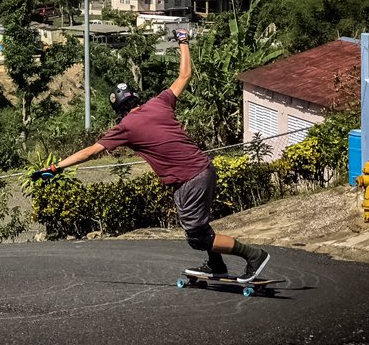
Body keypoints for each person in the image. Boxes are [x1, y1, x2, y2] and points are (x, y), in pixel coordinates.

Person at [31, 29, 270, 282]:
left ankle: (254, 255)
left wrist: (57, 166)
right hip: (203, 169)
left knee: (198, 237)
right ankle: (216, 266)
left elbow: (91, 151)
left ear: (118, 110)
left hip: (190, 178)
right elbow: (185, 74)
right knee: (200, 225)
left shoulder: (126, 126)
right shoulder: (160, 102)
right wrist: (183, 41)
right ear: (136, 98)